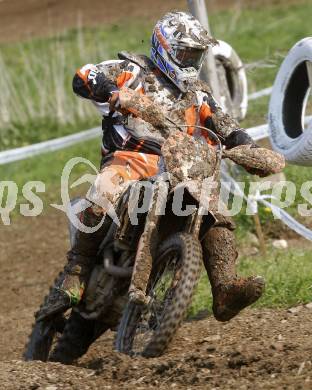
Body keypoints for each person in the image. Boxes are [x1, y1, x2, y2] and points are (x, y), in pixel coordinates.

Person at [37, 11, 264, 322]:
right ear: (164, 48)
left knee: (215, 212)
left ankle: (224, 288)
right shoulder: (134, 71)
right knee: (104, 190)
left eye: (195, 56)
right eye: (184, 53)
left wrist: (247, 146)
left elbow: (224, 124)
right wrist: (108, 91)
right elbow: (85, 73)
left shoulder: (198, 93)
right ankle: (75, 271)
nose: (189, 62)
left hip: (178, 167)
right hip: (130, 159)